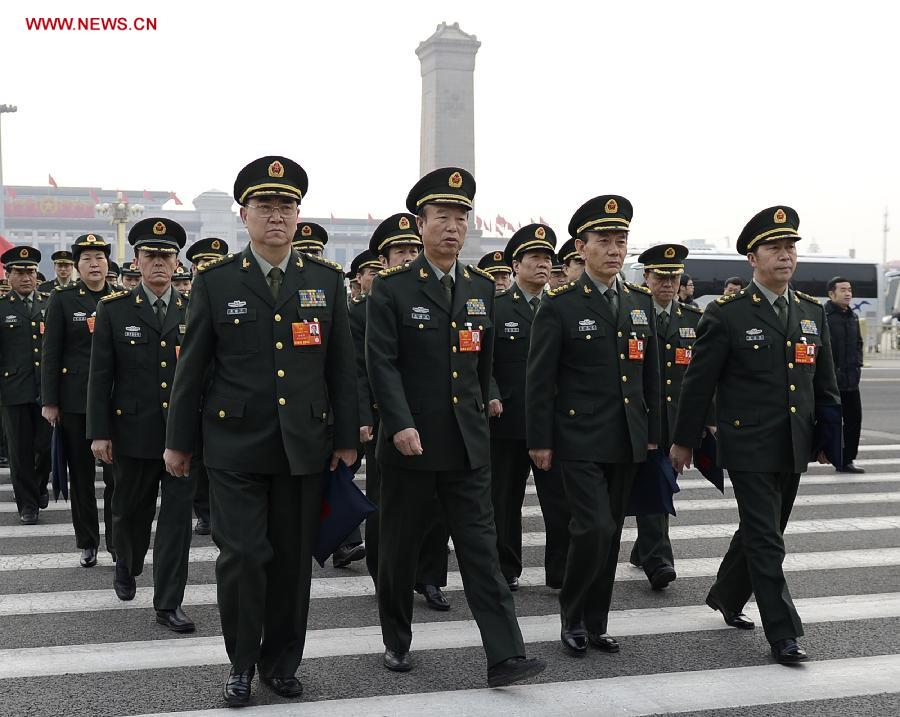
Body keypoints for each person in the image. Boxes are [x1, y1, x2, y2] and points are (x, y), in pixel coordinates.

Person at [164, 156, 358, 707]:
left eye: (287, 206)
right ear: (244, 215)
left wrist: (347, 437)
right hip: (234, 446)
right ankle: (242, 662)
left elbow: (341, 367)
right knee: (244, 556)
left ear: (298, 216)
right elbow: (192, 368)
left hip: (303, 446)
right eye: (265, 206)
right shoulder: (218, 281)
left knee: (293, 564)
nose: (277, 216)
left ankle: (280, 662)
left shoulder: (324, 281)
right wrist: (179, 441)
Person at [366, 166, 544, 687]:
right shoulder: (394, 289)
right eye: (441, 216)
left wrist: (484, 403)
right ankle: (396, 640)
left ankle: (505, 655)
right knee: (399, 551)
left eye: (460, 217)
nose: (452, 226)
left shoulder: (478, 287)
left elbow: (481, 365)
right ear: (419, 225)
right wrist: (397, 423)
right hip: (412, 445)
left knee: (481, 551)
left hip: (468, 445)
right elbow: (382, 363)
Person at [670, 206, 841, 664]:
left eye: (790, 248)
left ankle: (726, 595)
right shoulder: (727, 314)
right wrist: (684, 440)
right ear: (753, 257)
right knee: (768, 539)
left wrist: (828, 437)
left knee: (762, 531)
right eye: (774, 248)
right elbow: (698, 382)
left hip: (794, 442)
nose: (785, 256)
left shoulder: (810, 311)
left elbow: (822, 383)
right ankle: (783, 633)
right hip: (746, 444)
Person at [528, 195, 660, 657]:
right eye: (603, 241)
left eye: (621, 241)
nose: (614, 249)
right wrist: (540, 440)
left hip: (626, 438)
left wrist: (655, 434)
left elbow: (651, 377)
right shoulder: (560, 305)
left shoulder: (639, 302)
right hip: (578, 438)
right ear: (581, 248)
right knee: (594, 528)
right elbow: (540, 380)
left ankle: (596, 622)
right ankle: (572, 612)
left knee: (611, 534)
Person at [87, 218, 196, 637]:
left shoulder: (193, 309)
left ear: (176, 262)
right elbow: (100, 377)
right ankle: (127, 562)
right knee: (130, 510)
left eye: (166, 256)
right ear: (136, 260)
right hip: (131, 432)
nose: (158, 263)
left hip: (182, 436)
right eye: (150, 255)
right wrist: (99, 432)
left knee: (176, 523)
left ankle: (169, 602)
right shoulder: (114, 310)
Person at [358, 214, 450, 603]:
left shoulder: (440, 295)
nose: (408, 256)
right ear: (385, 258)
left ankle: (429, 576)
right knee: (388, 507)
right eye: (401, 251)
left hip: (433, 416)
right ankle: (388, 574)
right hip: (386, 420)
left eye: (413, 249)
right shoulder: (361, 309)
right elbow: (360, 372)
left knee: (437, 504)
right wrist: (363, 416)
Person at [489, 224, 570, 591]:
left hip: (555, 422)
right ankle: (507, 568)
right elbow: (482, 363)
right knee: (504, 501)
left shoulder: (566, 305)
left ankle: (560, 571)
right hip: (508, 420)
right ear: (516, 264)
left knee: (561, 502)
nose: (543, 265)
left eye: (547, 259)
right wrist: (491, 394)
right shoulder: (496, 308)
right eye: (534, 258)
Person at [628, 244, 711, 590]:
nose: (667, 283)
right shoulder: (632, 314)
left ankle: (642, 548)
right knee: (655, 484)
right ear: (646, 277)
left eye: (673, 277)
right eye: (660, 276)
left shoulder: (693, 319)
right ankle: (659, 559)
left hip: (677, 420)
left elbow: (708, 376)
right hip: (642, 418)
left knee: (660, 487)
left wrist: (706, 420)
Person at [41, 234, 116, 567]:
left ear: (107, 263)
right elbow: (51, 352)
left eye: (99, 258)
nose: (94, 264)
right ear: (77, 266)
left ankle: (117, 541)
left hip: (114, 403)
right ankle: (88, 541)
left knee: (117, 478)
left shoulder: (120, 299)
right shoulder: (63, 299)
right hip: (75, 402)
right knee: (82, 477)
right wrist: (50, 401)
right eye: (87, 259)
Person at [183, 238, 231, 536]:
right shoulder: (183, 304)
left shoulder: (232, 298)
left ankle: (220, 506)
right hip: (196, 391)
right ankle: (204, 511)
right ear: (193, 269)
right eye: (203, 263)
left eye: (214, 262)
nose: (208, 267)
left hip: (224, 390)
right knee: (198, 455)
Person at [0, 246, 52, 524]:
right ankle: (27, 504)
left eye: (30, 272)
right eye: (19, 272)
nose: (26, 278)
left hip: (46, 389)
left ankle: (40, 484)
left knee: (45, 447)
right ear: (8, 275)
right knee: (19, 451)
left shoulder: (49, 303)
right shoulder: (2, 307)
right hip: (14, 389)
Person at [825, 276, 865, 473]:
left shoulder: (853, 316)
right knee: (828, 420)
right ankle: (822, 454)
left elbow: (858, 343)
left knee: (854, 420)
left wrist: (858, 365)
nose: (848, 293)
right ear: (832, 294)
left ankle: (846, 459)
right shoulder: (824, 316)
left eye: (849, 289)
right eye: (843, 290)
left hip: (851, 380)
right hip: (830, 381)